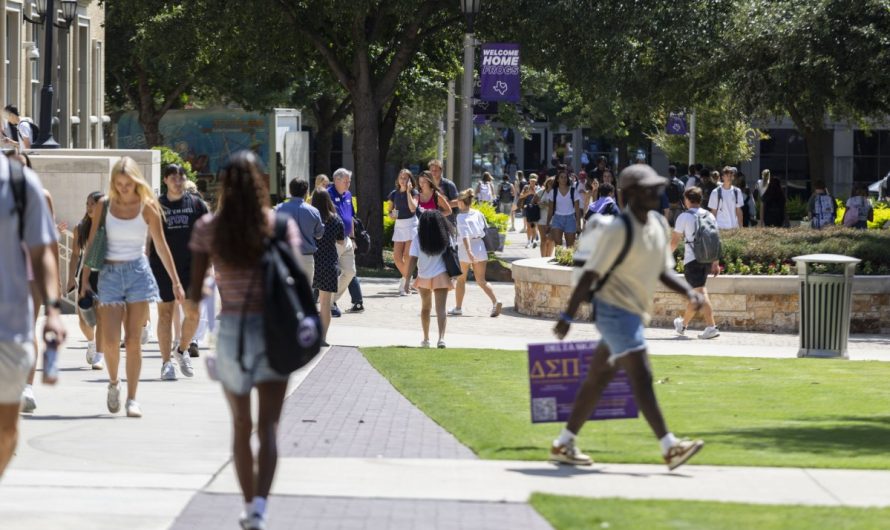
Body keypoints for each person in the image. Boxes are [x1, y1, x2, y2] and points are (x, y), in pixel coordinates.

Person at [550, 164, 704, 470]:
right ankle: (669, 447)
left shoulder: (658, 224)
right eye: (649, 188)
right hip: (612, 311)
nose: (657, 192)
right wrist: (567, 315)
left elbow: (663, 270)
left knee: (597, 379)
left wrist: (688, 292)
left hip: (634, 312)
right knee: (641, 375)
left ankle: (563, 443)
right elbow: (590, 275)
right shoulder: (618, 230)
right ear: (631, 194)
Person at [188, 151, 300, 530]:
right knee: (268, 427)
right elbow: (294, 277)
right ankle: (259, 510)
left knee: (240, 424)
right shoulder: (278, 225)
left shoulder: (208, 227)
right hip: (272, 330)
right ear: (259, 184)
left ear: (223, 184)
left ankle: (247, 501)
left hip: (232, 329)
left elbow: (195, 292)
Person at [80, 157, 183, 418]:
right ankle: (114, 383)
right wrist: (83, 280)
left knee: (134, 340)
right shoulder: (104, 205)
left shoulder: (148, 206)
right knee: (112, 340)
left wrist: (175, 281)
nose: (124, 188)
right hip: (111, 274)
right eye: (119, 183)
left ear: (136, 181)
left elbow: (161, 245)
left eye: (128, 183)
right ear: (113, 182)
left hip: (138, 272)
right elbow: (92, 244)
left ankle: (133, 398)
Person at [1, 152, 66, 476]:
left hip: (9, 329)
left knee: (6, 432)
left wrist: (53, 310)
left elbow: (43, 253)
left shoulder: (19, 183)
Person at [149, 164, 206, 381]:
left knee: (194, 314)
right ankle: (166, 363)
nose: (177, 180)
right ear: (165, 180)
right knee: (165, 314)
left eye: (180, 176)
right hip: (161, 267)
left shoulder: (196, 204)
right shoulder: (156, 205)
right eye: (172, 177)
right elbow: (148, 237)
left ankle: (181, 350)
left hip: (190, 267)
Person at [672, 187, 720, 339]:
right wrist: (715, 262)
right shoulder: (710, 216)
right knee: (696, 294)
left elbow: (674, 242)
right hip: (706, 259)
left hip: (692, 260)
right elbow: (715, 240)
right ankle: (682, 324)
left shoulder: (684, 217)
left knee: (700, 293)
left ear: (687, 199)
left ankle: (712, 327)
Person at [66, 191, 106, 371]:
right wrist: (70, 278)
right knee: (83, 318)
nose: (89, 207)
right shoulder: (81, 227)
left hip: (106, 274)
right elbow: (75, 254)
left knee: (102, 316)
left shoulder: (109, 225)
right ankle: (91, 342)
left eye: (93, 204)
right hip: (87, 274)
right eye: (87, 204)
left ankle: (100, 355)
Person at [448, 189, 502, 318]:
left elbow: (465, 235)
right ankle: (496, 301)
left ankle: (458, 308)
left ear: (461, 202)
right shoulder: (478, 213)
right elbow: (484, 228)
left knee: (461, 280)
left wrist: (469, 251)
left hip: (466, 249)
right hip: (480, 247)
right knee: (481, 280)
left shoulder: (461, 216)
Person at [407, 210, 455, 349]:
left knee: (425, 308)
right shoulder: (446, 236)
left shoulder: (418, 238)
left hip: (423, 276)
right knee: (441, 309)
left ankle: (426, 339)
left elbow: (412, 259)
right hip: (441, 275)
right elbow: (453, 254)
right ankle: (441, 339)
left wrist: (407, 279)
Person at [310, 189, 345, 345]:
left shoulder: (311, 218)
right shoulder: (336, 220)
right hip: (329, 262)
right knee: (325, 303)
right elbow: (341, 241)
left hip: (312, 260)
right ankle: (322, 338)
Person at [328, 168, 365, 314]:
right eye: (346, 181)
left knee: (350, 272)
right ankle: (328, 304)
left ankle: (330, 300)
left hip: (347, 239)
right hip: (333, 241)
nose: (349, 184)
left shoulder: (348, 195)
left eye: (349, 181)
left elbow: (350, 218)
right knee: (330, 273)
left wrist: (353, 238)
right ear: (336, 180)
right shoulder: (327, 194)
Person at [278, 177, 324, 287]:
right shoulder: (314, 211)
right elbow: (319, 235)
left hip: (285, 257)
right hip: (306, 258)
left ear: (290, 191)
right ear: (307, 192)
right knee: (305, 296)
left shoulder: (279, 209)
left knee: (285, 294)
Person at [388, 170, 419, 296]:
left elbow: (413, 208)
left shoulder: (414, 193)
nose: (403, 180)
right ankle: (408, 279)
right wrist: (393, 215)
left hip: (411, 224)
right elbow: (390, 211)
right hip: (399, 225)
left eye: (405, 178)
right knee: (396, 257)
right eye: (401, 177)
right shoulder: (393, 194)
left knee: (407, 256)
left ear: (410, 180)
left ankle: (405, 283)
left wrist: (407, 192)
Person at [546, 167, 581, 248]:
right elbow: (550, 209)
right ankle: (558, 259)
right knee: (558, 245)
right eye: (561, 177)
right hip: (557, 218)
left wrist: (578, 224)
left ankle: (569, 260)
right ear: (557, 179)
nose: (563, 179)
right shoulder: (553, 192)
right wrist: (547, 223)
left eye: (565, 177)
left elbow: (577, 209)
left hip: (570, 219)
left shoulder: (573, 191)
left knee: (570, 245)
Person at [428, 159, 459, 224]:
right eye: (431, 170)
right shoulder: (428, 185)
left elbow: (458, 202)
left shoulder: (449, 184)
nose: (433, 172)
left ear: (441, 170)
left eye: (436, 170)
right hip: (432, 222)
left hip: (448, 222)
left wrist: (443, 203)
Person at [534, 177, 555, 258]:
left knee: (551, 239)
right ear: (547, 183)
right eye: (550, 182)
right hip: (541, 219)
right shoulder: (541, 192)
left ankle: (548, 257)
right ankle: (543, 258)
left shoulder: (557, 192)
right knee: (543, 239)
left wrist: (548, 205)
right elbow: (533, 202)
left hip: (553, 219)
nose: (551, 184)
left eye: (553, 183)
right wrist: (539, 203)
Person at [520, 176, 540, 248]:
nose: (533, 183)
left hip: (535, 209)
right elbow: (521, 196)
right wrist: (528, 193)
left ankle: (534, 240)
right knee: (528, 226)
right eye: (531, 181)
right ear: (529, 181)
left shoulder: (538, 188)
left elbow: (540, 198)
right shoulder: (526, 187)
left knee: (534, 225)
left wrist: (534, 193)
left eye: (534, 181)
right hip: (527, 208)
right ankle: (528, 241)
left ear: (536, 181)